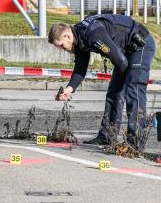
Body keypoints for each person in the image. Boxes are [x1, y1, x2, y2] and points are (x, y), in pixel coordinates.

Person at [48, 14, 155, 147]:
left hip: (141, 45)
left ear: (67, 36)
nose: (63, 49)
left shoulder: (92, 33)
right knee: (114, 92)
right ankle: (107, 136)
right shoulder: (80, 38)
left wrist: (132, 79)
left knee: (134, 89)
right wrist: (69, 89)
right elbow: (80, 68)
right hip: (125, 52)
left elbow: (120, 60)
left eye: (62, 46)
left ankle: (136, 141)